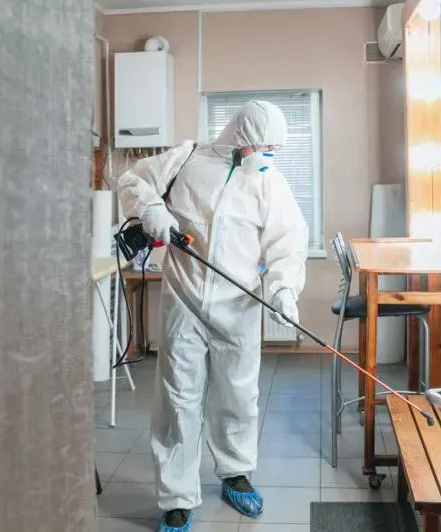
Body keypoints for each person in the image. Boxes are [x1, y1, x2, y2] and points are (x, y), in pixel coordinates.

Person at [116, 100, 308, 532]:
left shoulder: (267, 182)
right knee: (178, 399)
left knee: (238, 396)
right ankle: (177, 499)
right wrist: (153, 211)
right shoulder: (186, 159)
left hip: (237, 305)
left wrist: (281, 289)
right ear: (241, 138)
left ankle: (235, 472)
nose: (266, 155)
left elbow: (288, 242)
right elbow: (131, 181)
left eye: (272, 148)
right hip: (183, 298)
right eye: (262, 145)